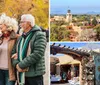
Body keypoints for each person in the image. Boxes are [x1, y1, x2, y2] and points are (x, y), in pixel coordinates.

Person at [11, 14, 47, 85]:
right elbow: (13, 52)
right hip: (21, 75)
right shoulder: (21, 37)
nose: (20, 24)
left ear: (29, 23)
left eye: (22, 22)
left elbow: (38, 53)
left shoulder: (39, 35)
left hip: (34, 75)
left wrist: (21, 65)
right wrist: (16, 64)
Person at [0, 14, 18, 85]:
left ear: (7, 25)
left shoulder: (16, 38)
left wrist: (18, 54)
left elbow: (22, 51)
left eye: (1, 24)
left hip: (10, 71)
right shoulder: (1, 38)